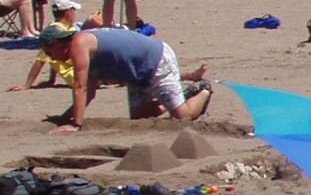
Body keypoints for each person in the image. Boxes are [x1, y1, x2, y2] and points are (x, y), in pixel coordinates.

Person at [35, 23, 210, 130]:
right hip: (135, 73)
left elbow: (80, 88)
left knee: (182, 117)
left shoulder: (78, 44)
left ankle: (203, 91)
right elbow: (90, 93)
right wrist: (66, 117)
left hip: (155, 60)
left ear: (56, 43)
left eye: (50, 52)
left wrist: (75, 125)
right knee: (140, 119)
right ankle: (184, 95)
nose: (52, 58)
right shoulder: (84, 49)